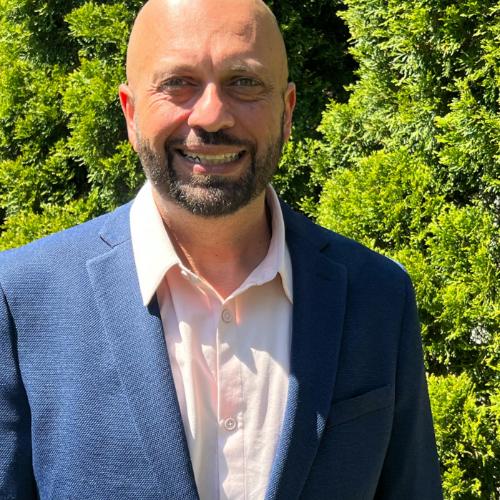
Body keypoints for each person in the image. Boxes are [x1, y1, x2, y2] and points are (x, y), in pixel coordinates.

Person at [0, 0, 443, 498]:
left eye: (244, 82)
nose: (211, 115)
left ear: (287, 111)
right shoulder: (21, 300)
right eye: (178, 83)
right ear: (130, 112)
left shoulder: (377, 296)